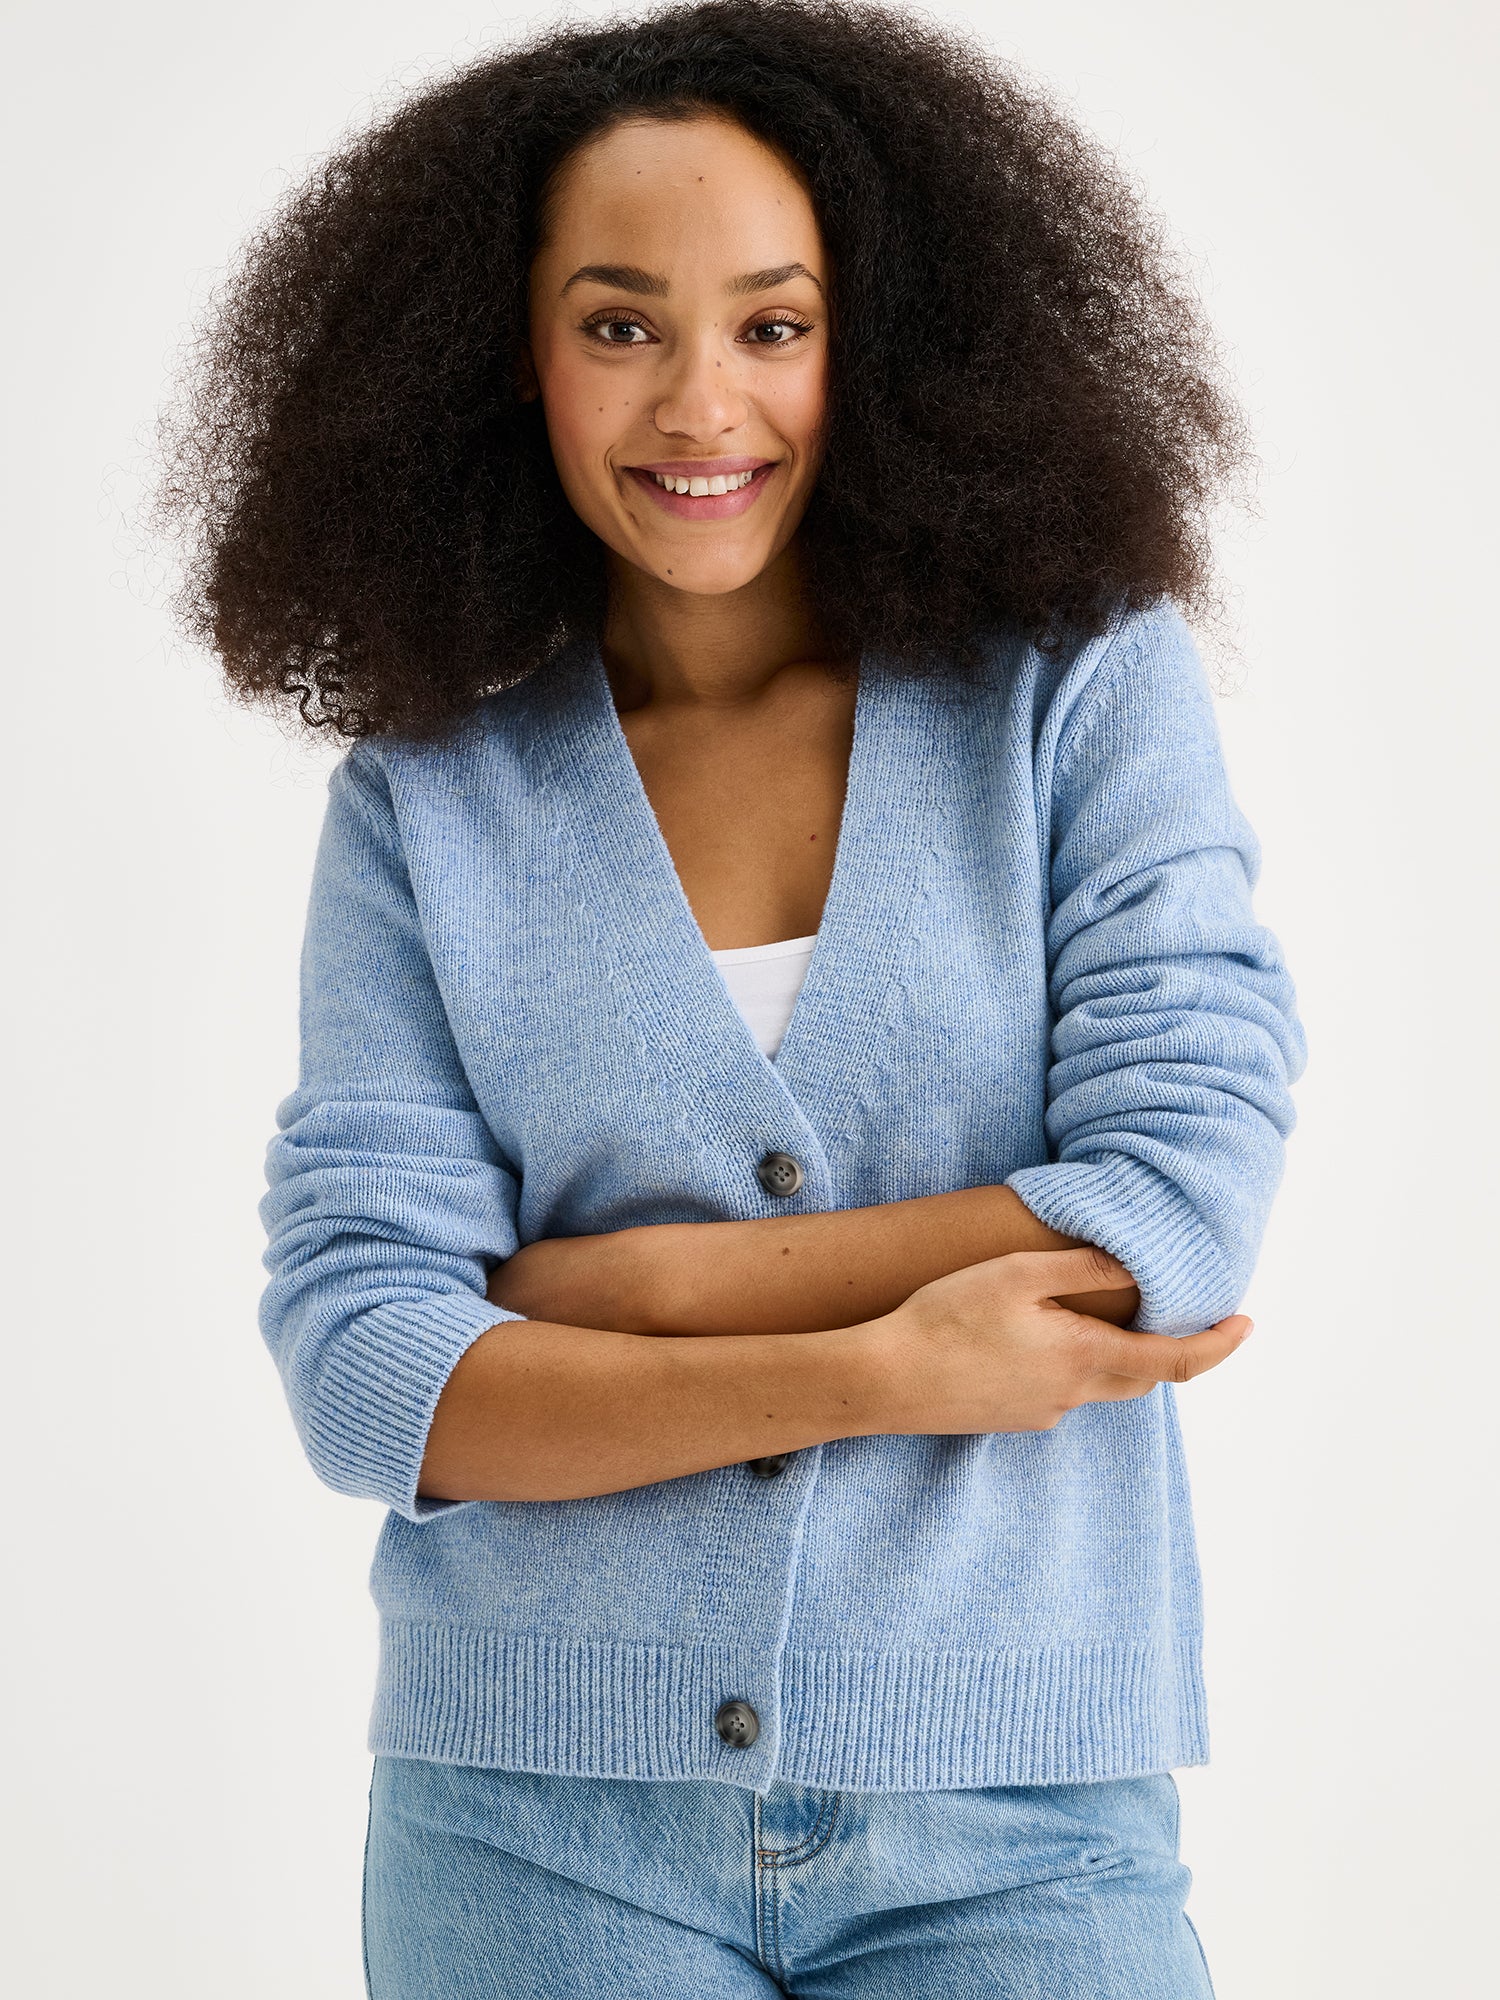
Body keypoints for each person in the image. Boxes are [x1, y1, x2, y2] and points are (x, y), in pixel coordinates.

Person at [160, 2, 1305, 1991]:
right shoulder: (433, 795)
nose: (702, 405)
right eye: (621, 325)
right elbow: (369, 1374)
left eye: (774, 324)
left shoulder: (1072, 685)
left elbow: (1180, 1203)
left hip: (1017, 1824)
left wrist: (636, 1285)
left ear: (884, 345)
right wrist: (891, 1368)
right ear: (508, 359)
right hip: (529, 1833)